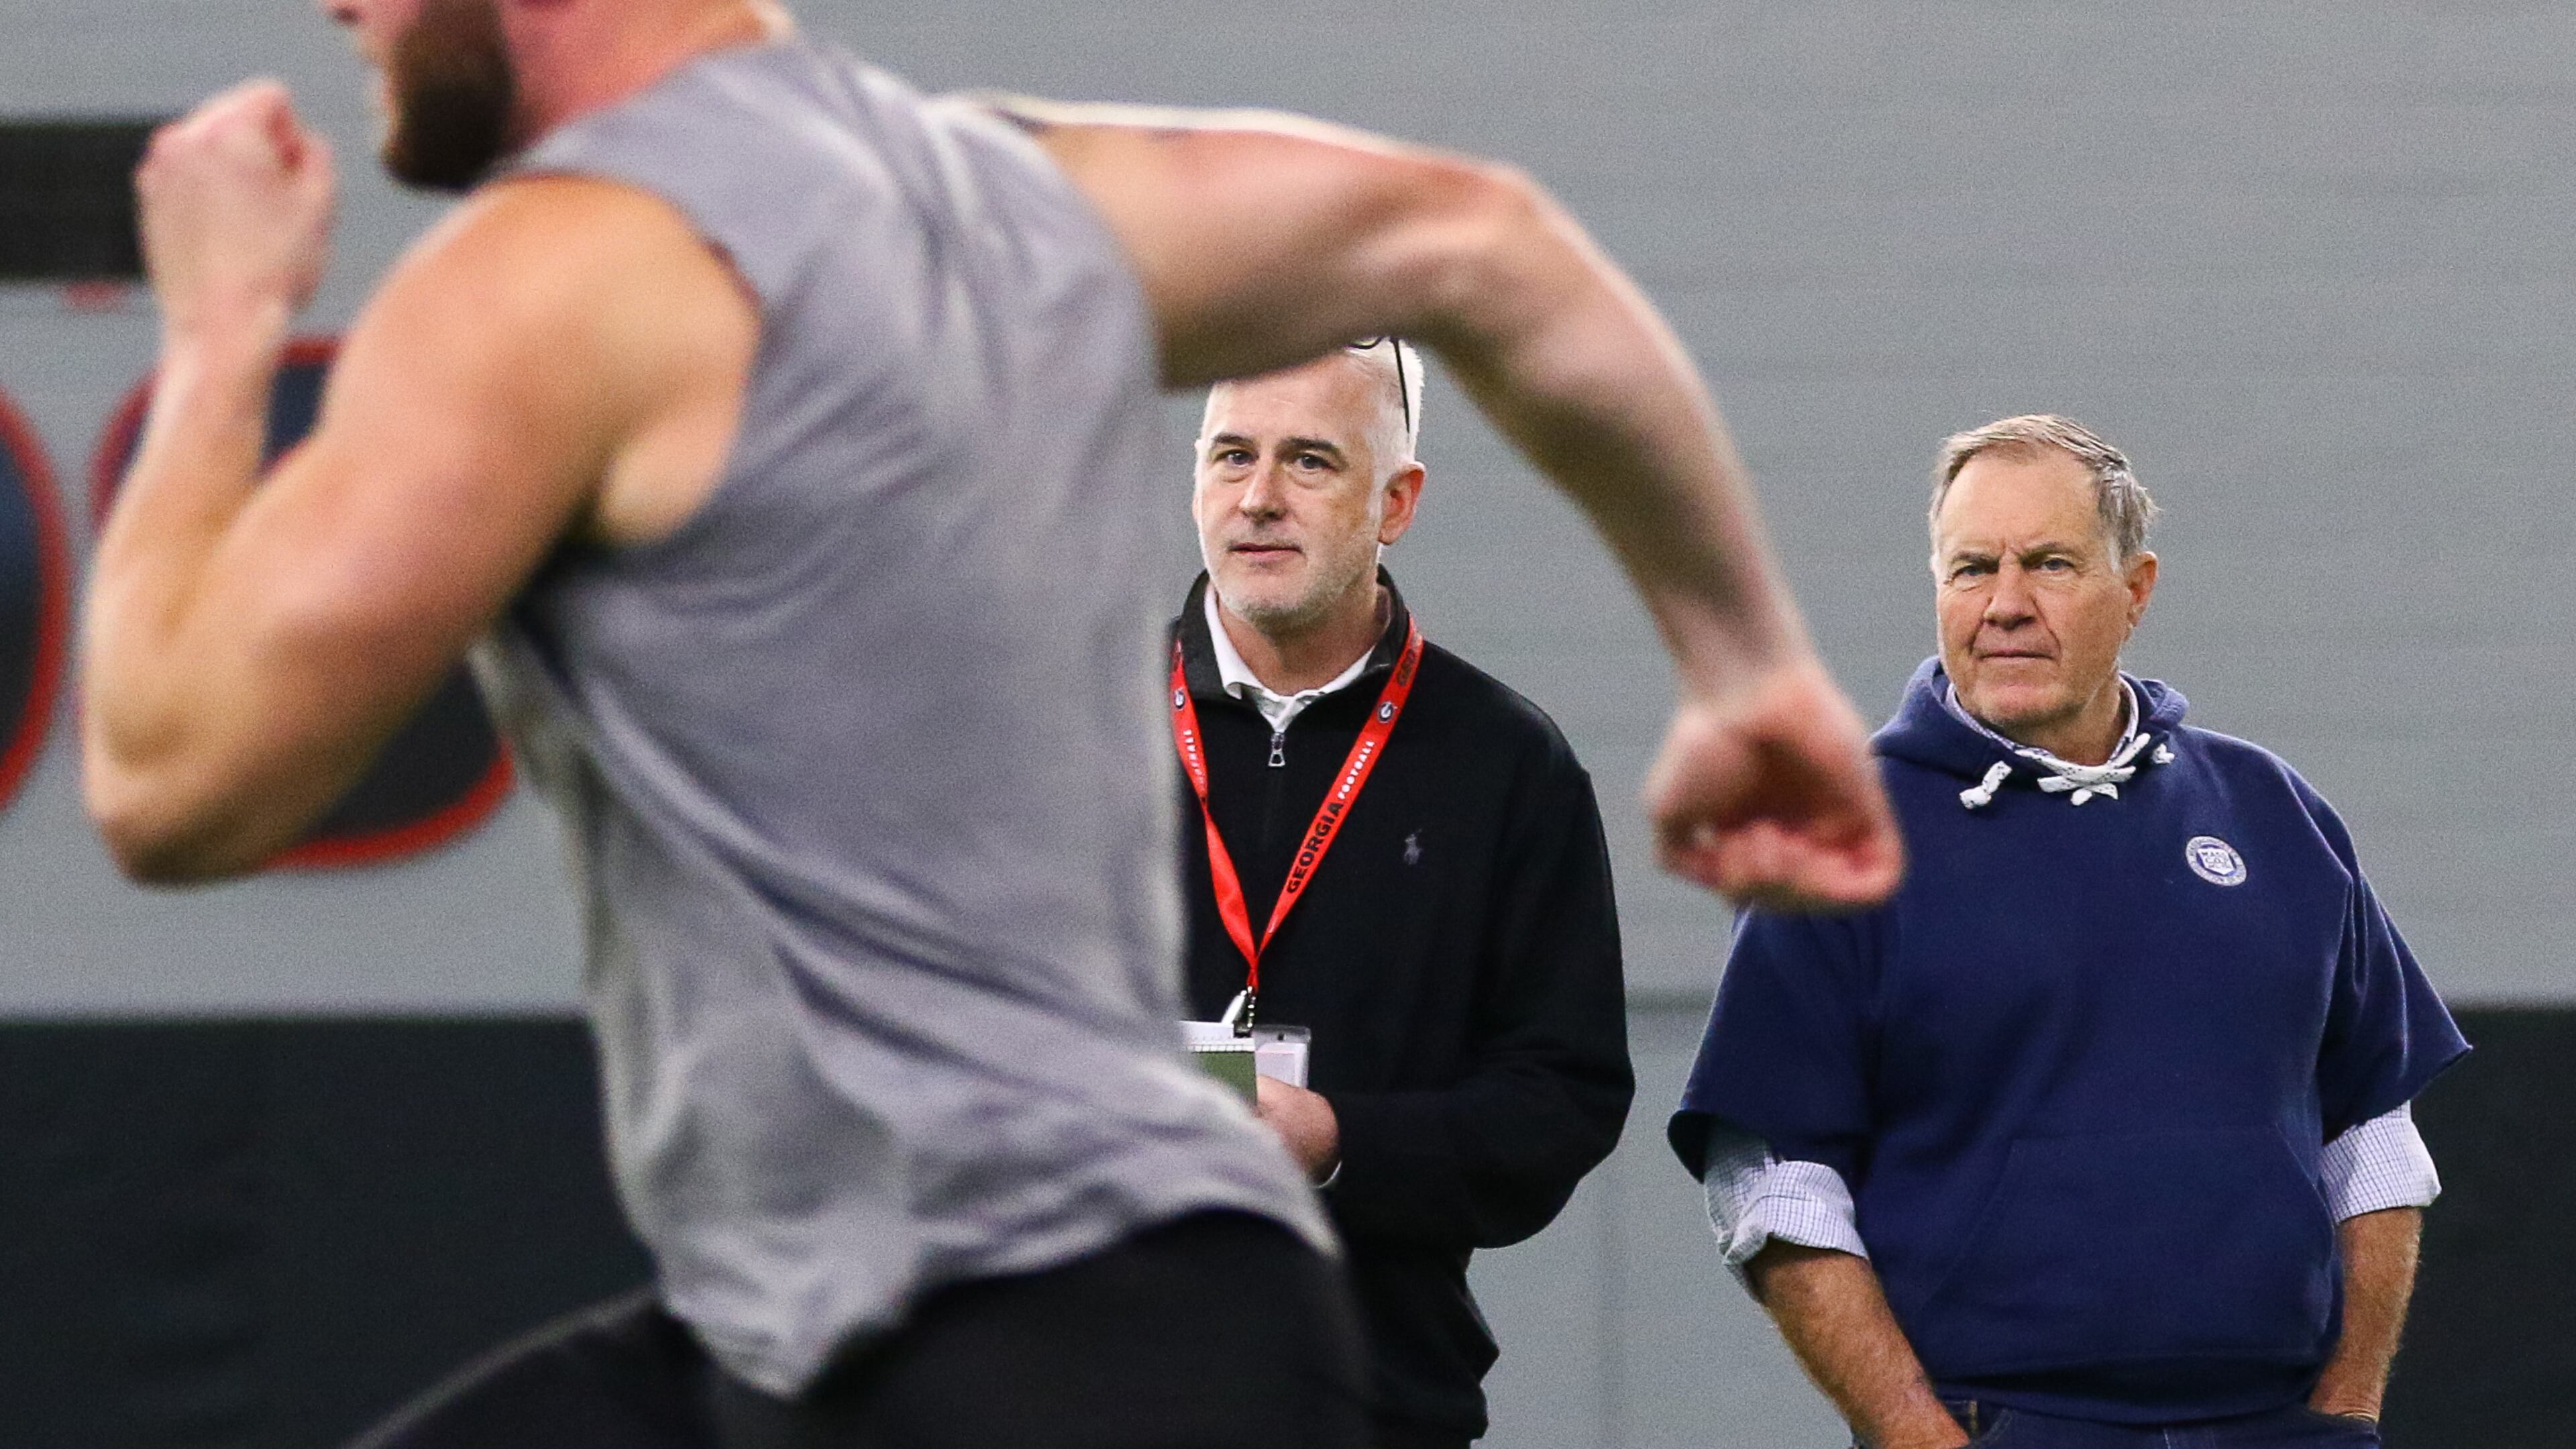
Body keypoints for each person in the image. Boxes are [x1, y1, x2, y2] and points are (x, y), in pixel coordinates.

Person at [82, 0, 1904, 1443]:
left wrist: (227, 329)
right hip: (829, 1338)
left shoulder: (548, 278)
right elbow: (1483, 239)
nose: (344, 9)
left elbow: (171, 784)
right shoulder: (1011, 197)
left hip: (1063, 1346)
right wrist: (1743, 665)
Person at [1666, 415, 2469, 1449]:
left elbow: (2375, 1140)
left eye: (2049, 564)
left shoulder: (2272, 812)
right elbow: (1769, 1180)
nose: (2005, 605)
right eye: (1971, 569)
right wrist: (1916, 1435)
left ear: (2134, 592)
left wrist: (2347, 1414)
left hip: (2275, 1427)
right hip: (2000, 1423)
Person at [1172, 340, 1631, 1449]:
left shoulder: (1503, 763)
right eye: (1231, 456)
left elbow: (1561, 1100)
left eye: (1310, 462)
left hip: (1375, 1404)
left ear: (1398, 501)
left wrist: (1338, 1141)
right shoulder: (1063, 732)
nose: (1259, 498)